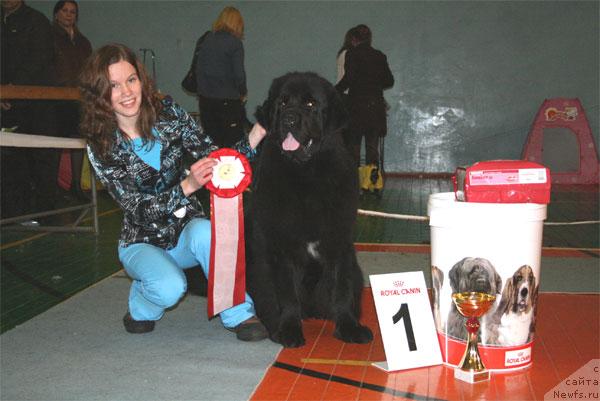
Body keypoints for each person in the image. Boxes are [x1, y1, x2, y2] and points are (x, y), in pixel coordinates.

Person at [78, 43, 268, 340]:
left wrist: (256, 135)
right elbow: (137, 208)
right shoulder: (100, 145)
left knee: (207, 231)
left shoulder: (167, 112)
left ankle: (239, 313)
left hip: (183, 230)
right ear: (99, 94)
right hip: (141, 241)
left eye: (131, 80)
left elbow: (213, 156)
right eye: (113, 86)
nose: (127, 92)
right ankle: (142, 299)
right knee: (170, 288)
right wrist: (188, 185)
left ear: (141, 79)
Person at [1, 0, 59, 219]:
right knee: (9, 160)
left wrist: (13, 89)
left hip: (37, 106)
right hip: (6, 105)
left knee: (41, 159)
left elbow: (39, 60)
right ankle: (13, 212)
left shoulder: (37, 22)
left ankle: (45, 214)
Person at [335, 24, 394, 169]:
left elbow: (348, 79)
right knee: (372, 146)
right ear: (369, 39)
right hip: (375, 106)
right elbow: (389, 81)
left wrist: (333, 91)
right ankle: (372, 182)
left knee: (353, 145)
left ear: (354, 39)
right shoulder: (380, 56)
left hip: (356, 106)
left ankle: (355, 180)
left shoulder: (352, 54)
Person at [52, 0, 92, 200]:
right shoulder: (48, 37)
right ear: (56, 14)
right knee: (56, 142)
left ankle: (75, 184)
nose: (69, 15)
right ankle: (53, 186)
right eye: (65, 11)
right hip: (57, 97)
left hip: (80, 97)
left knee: (78, 140)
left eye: (73, 12)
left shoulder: (83, 41)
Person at [195, 6, 248, 148]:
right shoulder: (235, 43)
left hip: (206, 101)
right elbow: (239, 75)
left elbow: (199, 69)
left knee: (212, 142)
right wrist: (243, 92)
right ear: (238, 24)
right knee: (233, 143)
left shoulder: (205, 39)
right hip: (228, 102)